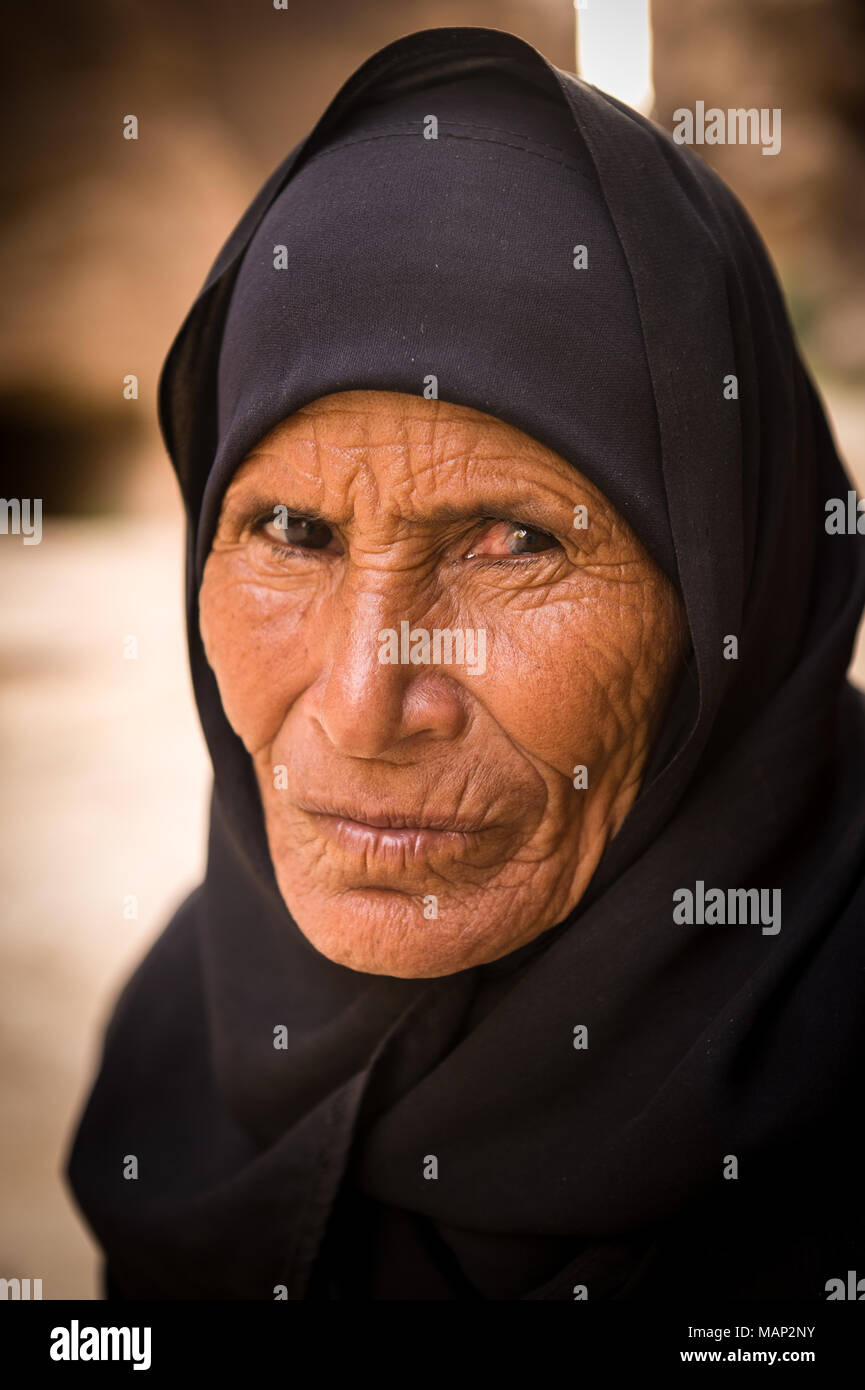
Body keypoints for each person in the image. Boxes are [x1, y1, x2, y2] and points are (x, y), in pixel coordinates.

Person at [66, 25, 865, 1300]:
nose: (366, 703)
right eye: (291, 529)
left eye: (512, 542)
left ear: (737, 585)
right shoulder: (190, 1019)